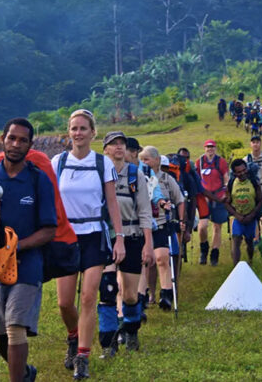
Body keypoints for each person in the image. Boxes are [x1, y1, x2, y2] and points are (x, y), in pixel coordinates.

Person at [51, 109, 125, 380]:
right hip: (66, 236)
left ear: (93, 132)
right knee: (63, 303)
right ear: (69, 132)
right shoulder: (57, 162)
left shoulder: (102, 163)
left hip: (94, 233)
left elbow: (112, 203)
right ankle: (73, 336)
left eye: (83, 128)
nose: (78, 133)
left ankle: (83, 356)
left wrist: (120, 238)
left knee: (88, 297)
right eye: (74, 128)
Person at [0, 118, 57, 382]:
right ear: (2, 139)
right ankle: (25, 371)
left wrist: (17, 247)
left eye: (22, 140)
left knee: (14, 327)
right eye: (11, 138)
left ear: (31, 145)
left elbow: (49, 229)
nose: (16, 144)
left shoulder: (38, 180)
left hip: (27, 266)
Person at [98, 131, 153, 358]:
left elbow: (145, 210)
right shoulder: (99, 173)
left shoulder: (135, 174)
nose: (119, 147)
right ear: (106, 150)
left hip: (131, 236)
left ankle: (131, 330)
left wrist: (148, 243)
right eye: (113, 144)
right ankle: (108, 343)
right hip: (105, 238)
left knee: (129, 295)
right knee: (108, 290)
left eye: (121, 143)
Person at [140, 149, 184, 311]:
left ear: (157, 160)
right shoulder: (139, 175)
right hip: (142, 224)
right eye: (142, 159)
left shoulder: (166, 179)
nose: (145, 163)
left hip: (161, 223)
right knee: (145, 261)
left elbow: (180, 199)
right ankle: (145, 294)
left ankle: (166, 294)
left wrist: (180, 220)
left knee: (162, 258)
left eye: (147, 159)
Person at [195, 140, 229, 266]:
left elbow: (226, 178)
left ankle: (214, 254)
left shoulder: (221, 162)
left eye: (212, 147)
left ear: (215, 148)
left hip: (219, 196)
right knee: (202, 226)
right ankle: (204, 248)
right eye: (208, 147)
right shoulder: (200, 162)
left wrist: (225, 192)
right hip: (204, 197)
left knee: (217, 226)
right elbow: (196, 178)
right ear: (204, 148)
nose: (210, 149)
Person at [226, 159, 262, 266]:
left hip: (250, 217)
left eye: (244, 170)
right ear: (234, 173)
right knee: (236, 239)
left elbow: (260, 200)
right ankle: (235, 267)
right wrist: (236, 215)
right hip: (238, 218)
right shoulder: (232, 183)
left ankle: (250, 261)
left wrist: (252, 214)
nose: (242, 173)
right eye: (239, 172)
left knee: (249, 242)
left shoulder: (253, 182)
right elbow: (227, 203)